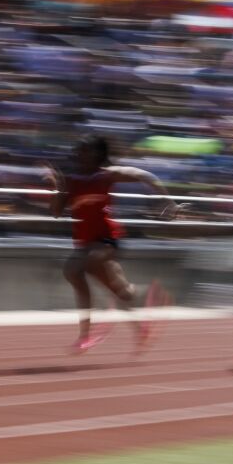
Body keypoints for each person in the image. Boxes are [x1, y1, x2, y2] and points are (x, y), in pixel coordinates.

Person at [48, 134, 172, 353]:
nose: (80, 154)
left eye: (85, 150)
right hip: (84, 244)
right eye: (79, 149)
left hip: (107, 240)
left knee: (73, 269)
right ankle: (142, 317)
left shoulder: (106, 175)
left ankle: (85, 336)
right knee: (120, 292)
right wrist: (59, 189)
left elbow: (146, 176)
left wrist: (167, 200)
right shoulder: (72, 180)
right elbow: (56, 213)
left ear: (97, 154)